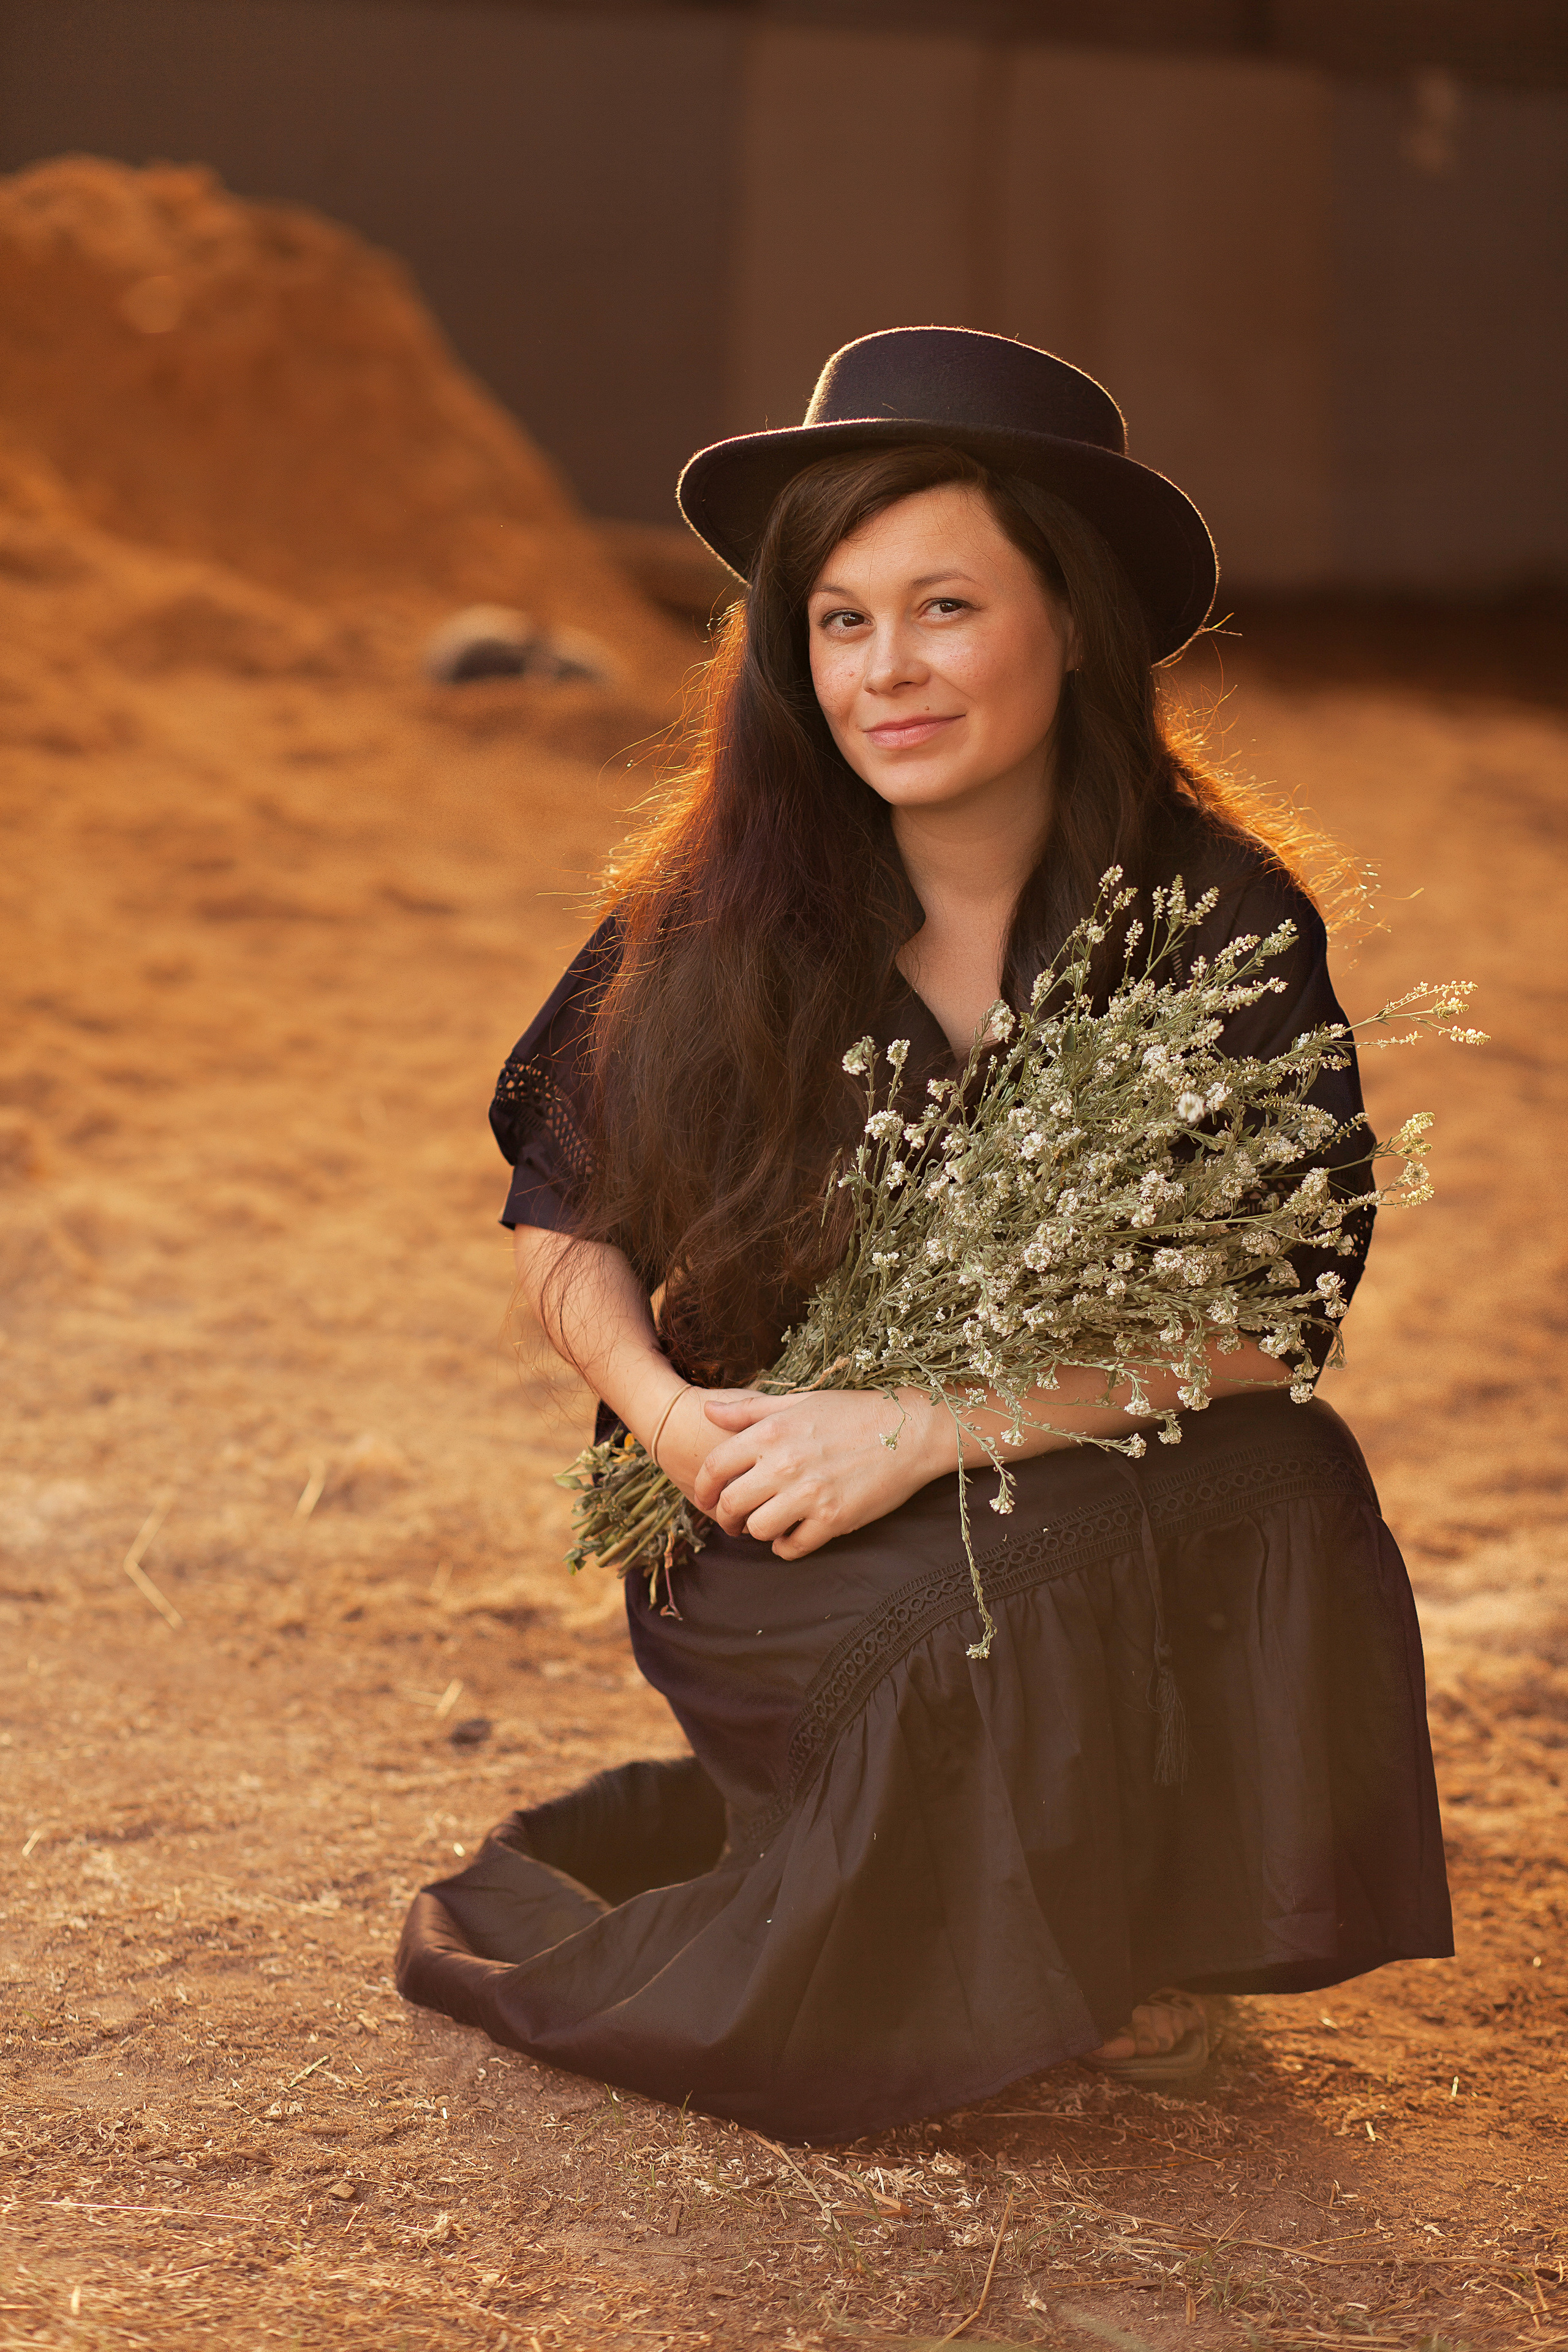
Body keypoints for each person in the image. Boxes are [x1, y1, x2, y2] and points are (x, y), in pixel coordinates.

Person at [396, 329, 1452, 2141]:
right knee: (974, 1615)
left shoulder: (1213, 915)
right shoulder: (713, 911)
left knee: (1286, 1476)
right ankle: (998, 1931)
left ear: (1075, 620)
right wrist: (674, 1421)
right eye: (840, 621)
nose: (885, 670)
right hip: (768, 1506)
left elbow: (1283, 1302)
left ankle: (1147, 1932)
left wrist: (935, 1425)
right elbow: (562, 1218)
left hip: (1028, 1449)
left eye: (945, 608)